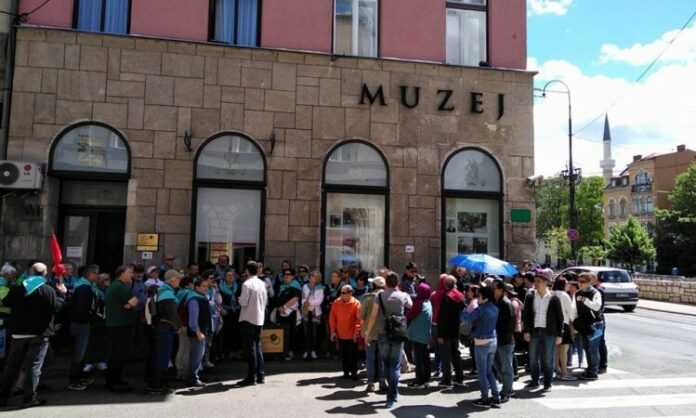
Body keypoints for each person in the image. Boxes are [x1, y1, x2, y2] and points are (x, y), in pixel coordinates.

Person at [0, 262, 65, 408]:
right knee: (33, 367)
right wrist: (62, 294)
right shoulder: (48, 290)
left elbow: (6, 301)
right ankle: (29, 399)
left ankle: (3, 397)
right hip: (39, 334)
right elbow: (57, 307)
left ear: (30, 272)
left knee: (12, 366)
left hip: (18, 333)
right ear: (45, 273)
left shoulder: (18, 288)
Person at [375, 272, 412, 409]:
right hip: (398, 332)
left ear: (386, 282)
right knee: (395, 365)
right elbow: (410, 305)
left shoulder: (379, 295)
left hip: (383, 332)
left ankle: (391, 392)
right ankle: (392, 395)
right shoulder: (403, 295)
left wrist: (367, 332)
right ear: (397, 283)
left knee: (386, 363)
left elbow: (373, 314)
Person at [522, 273, 564, 391]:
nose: (536, 283)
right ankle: (534, 380)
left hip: (549, 332)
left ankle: (547, 383)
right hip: (534, 331)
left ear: (546, 282)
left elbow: (560, 318)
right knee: (533, 358)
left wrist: (560, 334)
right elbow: (526, 315)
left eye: (539, 281)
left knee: (548, 359)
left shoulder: (553, 298)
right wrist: (526, 331)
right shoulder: (530, 296)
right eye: (535, 281)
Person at [461, 286, 500, 408]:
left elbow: (465, 317)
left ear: (485, 297)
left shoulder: (481, 309)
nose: (477, 298)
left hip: (482, 342)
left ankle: (485, 398)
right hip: (493, 340)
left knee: (482, 372)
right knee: (489, 371)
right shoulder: (495, 307)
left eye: (479, 296)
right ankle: (496, 396)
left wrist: (464, 308)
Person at [146, 269, 182, 394]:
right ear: (172, 279)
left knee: (158, 355)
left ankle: (155, 383)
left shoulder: (162, 290)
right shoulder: (167, 293)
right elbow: (171, 315)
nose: (179, 281)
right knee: (162, 357)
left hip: (159, 328)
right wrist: (178, 327)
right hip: (165, 329)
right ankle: (157, 385)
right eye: (178, 278)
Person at [104, 265, 139, 392]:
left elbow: (130, 304)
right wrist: (131, 303)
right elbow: (134, 301)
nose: (132, 275)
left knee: (117, 354)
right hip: (120, 326)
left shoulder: (116, 285)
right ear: (122, 274)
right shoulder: (120, 287)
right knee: (118, 354)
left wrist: (130, 304)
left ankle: (115, 380)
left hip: (117, 325)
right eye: (129, 272)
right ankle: (114, 382)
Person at [67, 264, 100, 391]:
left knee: (82, 352)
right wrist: (90, 318)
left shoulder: (87, 287)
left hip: (82, 323)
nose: (97, 276)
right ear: (90, 274)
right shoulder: (84, 288)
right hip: (81, 324)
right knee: (79, 353)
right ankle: (74, 380)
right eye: (96, 273)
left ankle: (80, 377)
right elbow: (82, 309)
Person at [236, 261, 269, 387]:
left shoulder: (247, 284)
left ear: (247, 271)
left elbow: (243, 302)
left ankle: (251, 377)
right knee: (257, 346)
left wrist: (239, 299)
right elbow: (265, 301)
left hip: (248, 318)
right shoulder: (262, 283)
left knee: (250, 348)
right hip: (259, 318)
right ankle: (260, 375)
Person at [359, 276, 386, 393]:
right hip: (384, 332)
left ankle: (370, 383)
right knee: (382, 358)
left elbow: (360, 316)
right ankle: (382, 381)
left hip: (369, 333)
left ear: (373, 285)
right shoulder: (388, 297)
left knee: (370, 358)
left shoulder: (367, 298)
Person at [575, 273, 604, 381]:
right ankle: (590, 369)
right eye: (579, 281)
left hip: (595, 324)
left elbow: (597, 307)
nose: (580, 284)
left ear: (589, 282)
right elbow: (575, 309)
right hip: (583, 324)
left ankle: (593, 372)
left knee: (593, 349)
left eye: (582, 282)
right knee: (586, 348)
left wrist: (584, 300)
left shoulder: (595, 292)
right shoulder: (578, 293)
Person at [437, 275, 465, 388]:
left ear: (445, 285)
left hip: (446, 331)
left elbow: (442, 317)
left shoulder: (447, 296)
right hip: (456, 330)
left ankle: (447, 380)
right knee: (456, 354)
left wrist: (440, 334)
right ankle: (459, 378)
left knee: (446, 357)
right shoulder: (460, 296)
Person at [330, 285, 362, 380]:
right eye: (341, 292)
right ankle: (346, 372)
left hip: (352, 335)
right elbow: (332, 318)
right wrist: (333, 331)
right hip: (340, 334)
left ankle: (354, 372)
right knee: (344, 354)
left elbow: (358, 320)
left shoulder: (356, 303)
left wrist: (356, 334)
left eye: (344, 293)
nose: (342, 295)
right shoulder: (336, 302)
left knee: (353, 355)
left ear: (350, 293)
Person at [492, 279, 515, 402]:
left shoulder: (506, 303)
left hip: (505, 341)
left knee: (506, 367)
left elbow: (510, 325)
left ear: (500, 290)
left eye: (494, 287)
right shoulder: (493, 302)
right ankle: (506, 387)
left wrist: (499, 334)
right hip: (495, 340)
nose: (492, 289)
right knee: (498, 365)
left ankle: (507, 391)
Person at [406, 281, 432, 388]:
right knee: (425, 358)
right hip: (425, 334)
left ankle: (419, 381)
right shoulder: (428, 302)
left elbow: (410, 315)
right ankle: (426, 379)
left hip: (417, 335)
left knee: (419, 359)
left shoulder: (419, 303)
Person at [186, 278, 211, 387]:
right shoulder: (194, 300)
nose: (206, 288)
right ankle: (193, 378)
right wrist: (198, 332)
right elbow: (193, 320)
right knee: (196, 356)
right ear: (197, 287)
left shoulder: (202, 297)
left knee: (198, 356)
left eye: (207, 286)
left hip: (202, 332)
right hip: (197, 333)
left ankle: (195, 377)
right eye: (203, 286)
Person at [83, 273, 110, 375]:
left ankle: (101, 361)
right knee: (92, 342)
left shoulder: (109, 290)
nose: (106, 281)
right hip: (94, 320)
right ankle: (89, 362)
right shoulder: (93, 290)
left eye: (107, 279)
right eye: (103, 280)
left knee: (103, 342)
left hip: (106, 320)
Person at [552, 276, 576, 381]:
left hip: (552, 325)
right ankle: (564, 373)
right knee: (564, 351)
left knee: (556, 350)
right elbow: (571, 313)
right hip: (564, 324)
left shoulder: (550, 293)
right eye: (566, 284)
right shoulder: (564, 295)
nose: (568, 286)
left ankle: (556, 370)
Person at [275, 268, 302, 360]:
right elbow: (277, 298)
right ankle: (282, 352)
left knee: (291, 333)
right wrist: (279, 307)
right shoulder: (281, 286)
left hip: (291, 313)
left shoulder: (295, 285)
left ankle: (290, 352)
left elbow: (295, 298)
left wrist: (284, 307)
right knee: (282, 332)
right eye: (285, 274)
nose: (286, 276)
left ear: (293, 276)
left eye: (289, 274)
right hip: (281, 313)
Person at [302, 271, 325, 360]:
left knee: (314, 333)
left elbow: (319, 301)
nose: (313, 278)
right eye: (312, 276)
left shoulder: (320, 287)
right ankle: (306, 350)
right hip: (306, 311)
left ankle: (313, 351)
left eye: (316, 276)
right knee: (306, 332)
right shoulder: (304, 286)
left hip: (315, 312)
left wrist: (309, 302)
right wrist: (305, 302)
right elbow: (303, 297)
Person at [590, 273, 608, 374]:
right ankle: (599, 365)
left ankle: (602, 365)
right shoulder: (595, 290)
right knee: (597, 343)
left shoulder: (598, 291)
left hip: (598, 320)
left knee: (600, 342)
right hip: (596, 320)